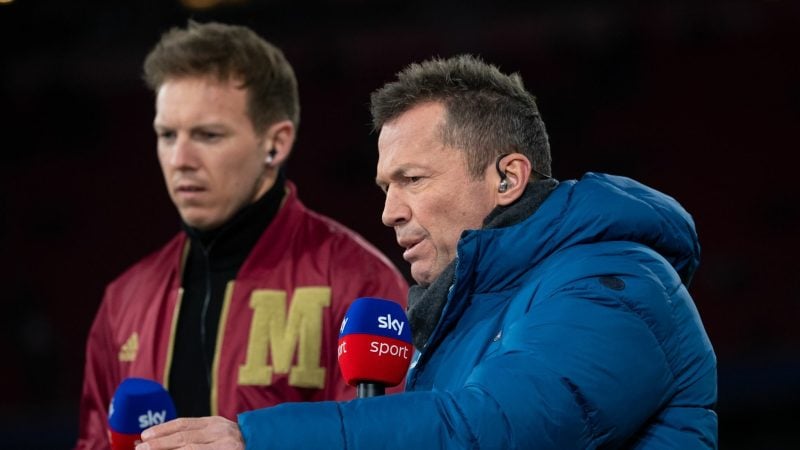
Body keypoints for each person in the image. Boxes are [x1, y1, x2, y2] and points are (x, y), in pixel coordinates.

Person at [136, 54, 718, 449]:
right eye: (386, 189)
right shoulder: (464, 317)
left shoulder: (615, 280)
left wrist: (257, 439)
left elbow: (492, 430)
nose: (389, 213)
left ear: (507, 178)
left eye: (412, 180)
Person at [75, 21, 409, 449]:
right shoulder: (123, 300)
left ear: (276, 143)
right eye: (166, 135)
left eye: (207, 135)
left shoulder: (360, 283)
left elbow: (384, 439)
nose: (180, 158)